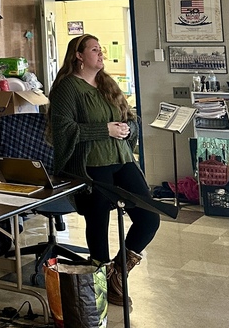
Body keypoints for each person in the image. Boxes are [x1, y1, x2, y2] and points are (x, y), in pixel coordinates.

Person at [47, 35, 159, 306]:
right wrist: (104, 129)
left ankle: (116, 274)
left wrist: (128, 128)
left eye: (101, 49)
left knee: (148, 217)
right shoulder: (67, 88)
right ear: (79, 56)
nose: (101, 54)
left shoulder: (107, 83)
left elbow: (129, 117)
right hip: (91, 164)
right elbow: (62, 132)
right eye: (94, 50)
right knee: (98, 222)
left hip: (121, 158)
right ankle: (98, 282)